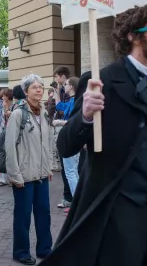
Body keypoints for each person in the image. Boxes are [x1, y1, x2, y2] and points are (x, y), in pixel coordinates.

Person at [41, 5, 147, 266]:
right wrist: (86, 115)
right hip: (115, 217)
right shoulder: (101, 82)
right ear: (133, 36)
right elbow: (65, 145)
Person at [6, 74, 53, 265]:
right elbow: (10, 147)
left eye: (41, 86)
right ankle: (21, 252)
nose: (39, 89)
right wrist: (15, 174)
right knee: (23, 216)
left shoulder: (44, 113)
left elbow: (48, 143)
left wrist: (48, 167)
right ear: (25, 91)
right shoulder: (18, 114)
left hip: (41, 174)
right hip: (23, 175)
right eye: (34, 87)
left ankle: (44, 249)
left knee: (44, 214)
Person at [53, 77, 80, 213]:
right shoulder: (71, 100)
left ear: (72, 86)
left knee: (71, 172)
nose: (65, 86)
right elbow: (59, 106)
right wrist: (57, 90)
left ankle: (76, 204)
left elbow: (72, 121)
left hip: (71, 139)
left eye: (66, 84)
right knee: (72, 171)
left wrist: (59, 122)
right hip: (71, 139)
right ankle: (76, 201)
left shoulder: (75, 101)